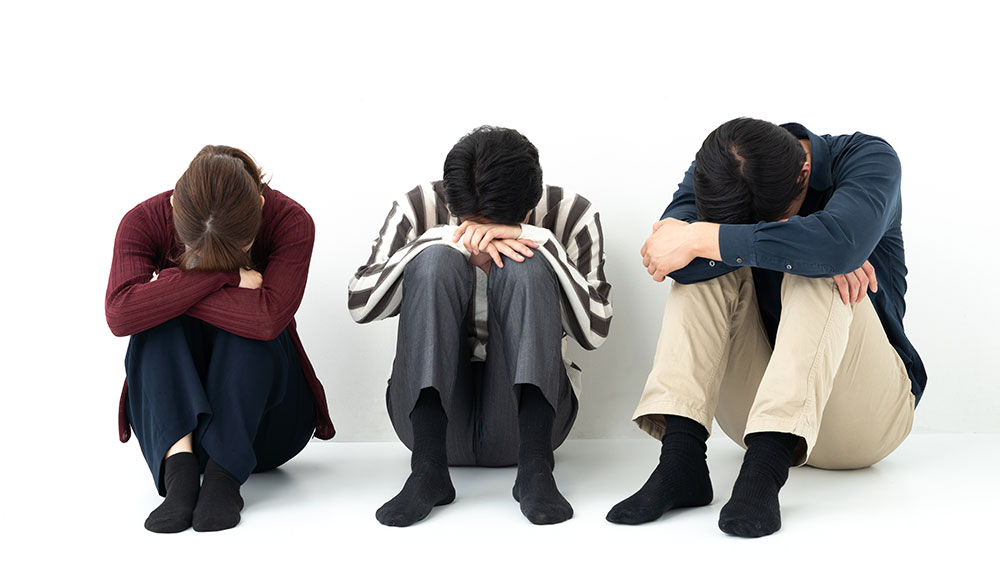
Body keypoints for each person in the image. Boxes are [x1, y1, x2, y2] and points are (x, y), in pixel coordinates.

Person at [607, 118, 925, 537]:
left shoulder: (867, 159)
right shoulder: (719, 167)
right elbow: (671, 260)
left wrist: (709, 238)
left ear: (804, 174)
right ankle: (681, 461)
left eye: (776, 218)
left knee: (822, 270)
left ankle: (763, 474)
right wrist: (792, 240)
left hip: (863, 419)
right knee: (712, 265)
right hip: (752, 416)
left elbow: (834, 247)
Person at [348, 126, 613, 526]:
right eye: (469, 223)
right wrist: (436, 240)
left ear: (530, 206)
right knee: (435, 262)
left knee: (526, 264)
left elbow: (595, 331)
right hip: (426, 425)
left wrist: (539, 241)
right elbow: (359, 305)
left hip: (527, 428)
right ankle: (427, 471)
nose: (483, 238)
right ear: (451, 203)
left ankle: (536, 470)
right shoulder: (418, 207)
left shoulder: (571, 213)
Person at [105, 145, 335, 533]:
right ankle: (180, 474)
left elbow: (267, 319)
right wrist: (225, 276)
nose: (215, 256)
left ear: (260, 206)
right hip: (174, 432)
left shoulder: (290, 221)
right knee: (156, 323)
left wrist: (168, 286)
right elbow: (120, 314)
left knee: (246, 323)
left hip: (270, 428)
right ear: (174, 206)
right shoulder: (142, 221)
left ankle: (224, 476)